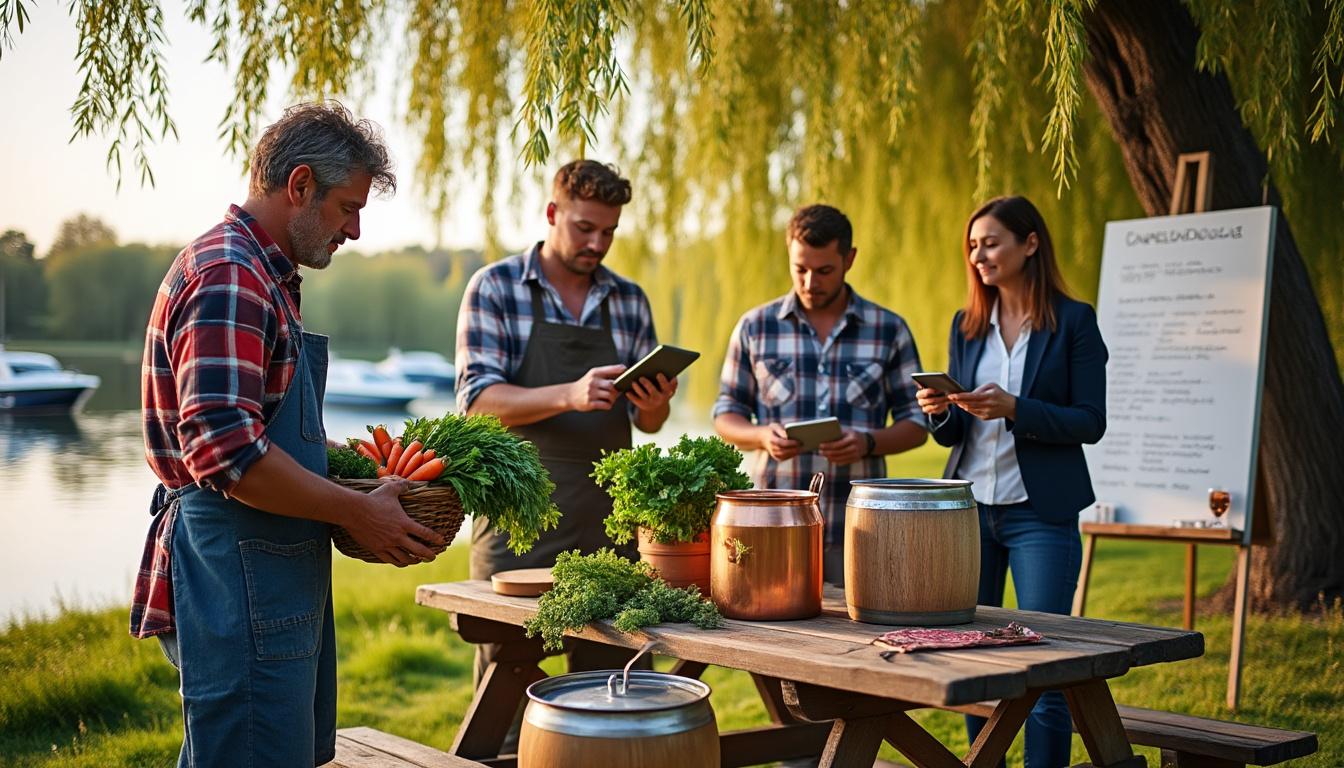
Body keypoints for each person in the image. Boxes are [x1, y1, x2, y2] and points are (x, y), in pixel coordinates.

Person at [130, 102, 446, 768]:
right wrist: (360, 512)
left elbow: (257, 429)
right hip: (236, 570)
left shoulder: (267, 276)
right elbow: (227, 455)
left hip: (268, 570)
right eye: (346, 208)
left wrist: (347, 466)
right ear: (299, 185)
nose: (355, 231)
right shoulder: (231, 278)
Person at [455, 159, 677, 677]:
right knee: (504, 699)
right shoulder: (495, 288)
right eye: (585, 228)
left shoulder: (630, 300)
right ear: (553, 213)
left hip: (610, 533)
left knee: (612, 696)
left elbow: (650, 424)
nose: (597, 243)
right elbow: (476, 403)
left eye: (609, 232)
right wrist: (570, 395)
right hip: (518, 529)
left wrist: (654, 401)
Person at [918, 195, 1107, 768]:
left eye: (991, 242)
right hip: (969, 512)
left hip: (1040, 515)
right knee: (975, 663)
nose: (978, 255)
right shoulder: (966, 325)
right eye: (972, 246)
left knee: (1043, 664)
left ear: (1030, 244)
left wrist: (1017, 408)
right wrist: (938, 410)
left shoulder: (1074, 321)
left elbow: (1090, 422)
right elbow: (953, 436)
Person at [713, 204, 928, 584]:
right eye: (801, 269)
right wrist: (763, 436)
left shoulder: (889, 329)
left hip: (861, 526)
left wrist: (867, 442)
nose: (810, 282)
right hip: (773, 523)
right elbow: (726, 415)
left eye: (824, 270)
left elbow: (917, 422)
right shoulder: (754, 327)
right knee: (771, 634)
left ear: (850, 259)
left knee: (860, 636)